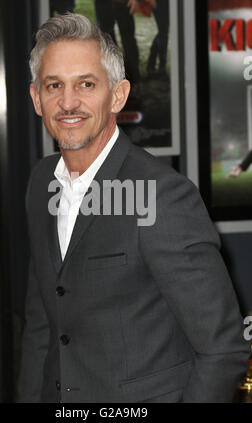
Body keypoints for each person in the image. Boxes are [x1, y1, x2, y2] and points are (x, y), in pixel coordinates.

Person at [17, 13, 250, 403]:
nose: (68, 101)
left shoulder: (161, 195)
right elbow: (42, 323)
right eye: (54, 85)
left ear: (118, 96)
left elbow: (223, 349)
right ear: (36, 98)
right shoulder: (42, 183)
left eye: (86, 84)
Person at [128, 0, 169, 77]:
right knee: (163, 32)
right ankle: (156, 66)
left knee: (163, 32)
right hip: (160, 3)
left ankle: (155, 66)